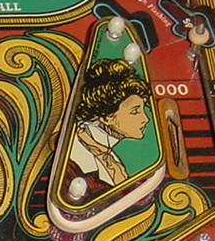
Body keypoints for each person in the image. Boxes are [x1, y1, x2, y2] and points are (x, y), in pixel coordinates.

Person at [64, 58, 155, 202]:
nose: (146, 119)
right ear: (107, 117)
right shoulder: (74, 160)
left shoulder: (104, 151)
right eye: (135, 111)